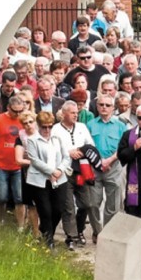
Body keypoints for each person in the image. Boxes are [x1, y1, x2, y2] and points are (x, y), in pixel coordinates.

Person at [52, 101, 95, 247]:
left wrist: (80, 150)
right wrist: (68, 152)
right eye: (72, 113)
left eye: (77, 113)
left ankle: (80, 229)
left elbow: (91, 145)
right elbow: (53, 149)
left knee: (86, 203)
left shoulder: (82, 127)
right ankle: (71, 235)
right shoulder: (56, 130)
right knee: (68, 205)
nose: (75, 115)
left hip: (81, 170)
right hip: (64, 170)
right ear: (64, 114)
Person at [26, 111, 71, 249]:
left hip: (59, 178)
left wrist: (59, 170)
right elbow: (34, 160)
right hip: (40, 180)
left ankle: (46, 231)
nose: (47, 130)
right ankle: (49, 239)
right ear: (39, 126)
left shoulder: (57, 139)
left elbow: (66, 157)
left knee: (58, 209)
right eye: (44, 127)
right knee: (45, 210)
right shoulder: (32, 140)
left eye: (50, 126)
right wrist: (51, 171)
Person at [86, 93, 127, 242]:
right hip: (94, 168)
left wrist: (109, 160)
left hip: (114, 167)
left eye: (107, 105)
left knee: (113, 204)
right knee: (92, 203)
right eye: (101, 105)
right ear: (96, 106)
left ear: (113, 108)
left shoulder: (121, 125)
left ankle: (107, 233)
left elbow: (123, 147)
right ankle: (97, 231)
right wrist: (98, 162)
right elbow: (87, 146)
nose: (104, 107)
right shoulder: (90, 125)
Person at [0, 96, 26, 229]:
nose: (18, 114)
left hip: (18, 165)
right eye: (15, 111)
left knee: (20, 197)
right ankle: (0, 221)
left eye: (21, 111)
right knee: (1, 196)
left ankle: (21, 226)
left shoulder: (25, 120)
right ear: (8, 108)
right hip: (1, 164)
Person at [14, 111, 41, 238]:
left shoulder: (43, 133)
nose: (28, 125)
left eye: (31, 122)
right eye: (25, 123)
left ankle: (45, 230)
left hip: (45, 173)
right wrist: (35, 162)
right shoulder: (21, 137)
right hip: (28, 174)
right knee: (31, 205)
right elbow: (18, 160)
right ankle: (36, 233)